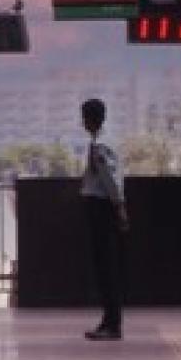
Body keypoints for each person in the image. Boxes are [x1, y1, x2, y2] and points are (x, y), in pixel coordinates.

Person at [78, 97, 127, 341]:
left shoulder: (100, 147)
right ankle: (108, 320)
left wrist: (118, 206)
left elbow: (108, 178)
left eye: (84, 117)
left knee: (106, 267)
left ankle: (113, 324)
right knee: (105, 266)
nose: (82, 122)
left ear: (92, 118)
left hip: (101, 206)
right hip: (103, 205)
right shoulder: (105, 141)